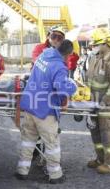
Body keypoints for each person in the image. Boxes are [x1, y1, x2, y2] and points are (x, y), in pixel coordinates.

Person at [15, 40, 77, 184]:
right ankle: (55, 175)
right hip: (45, 110)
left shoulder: (43, 56)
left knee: (28, 141)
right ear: (69, 54)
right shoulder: (60, 67)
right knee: (51, 143)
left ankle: (22, 171)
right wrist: (73, 87)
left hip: (29, 104)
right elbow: (61, 88)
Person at [86, 28, 110, 174]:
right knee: (96, 134)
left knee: (109, 135)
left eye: (96, 44)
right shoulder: (96, 58)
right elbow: (91, 80)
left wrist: (104, 101)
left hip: (108, 106)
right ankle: (100, 159)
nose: (93, 46)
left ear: (105, 43)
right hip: (94, 104)